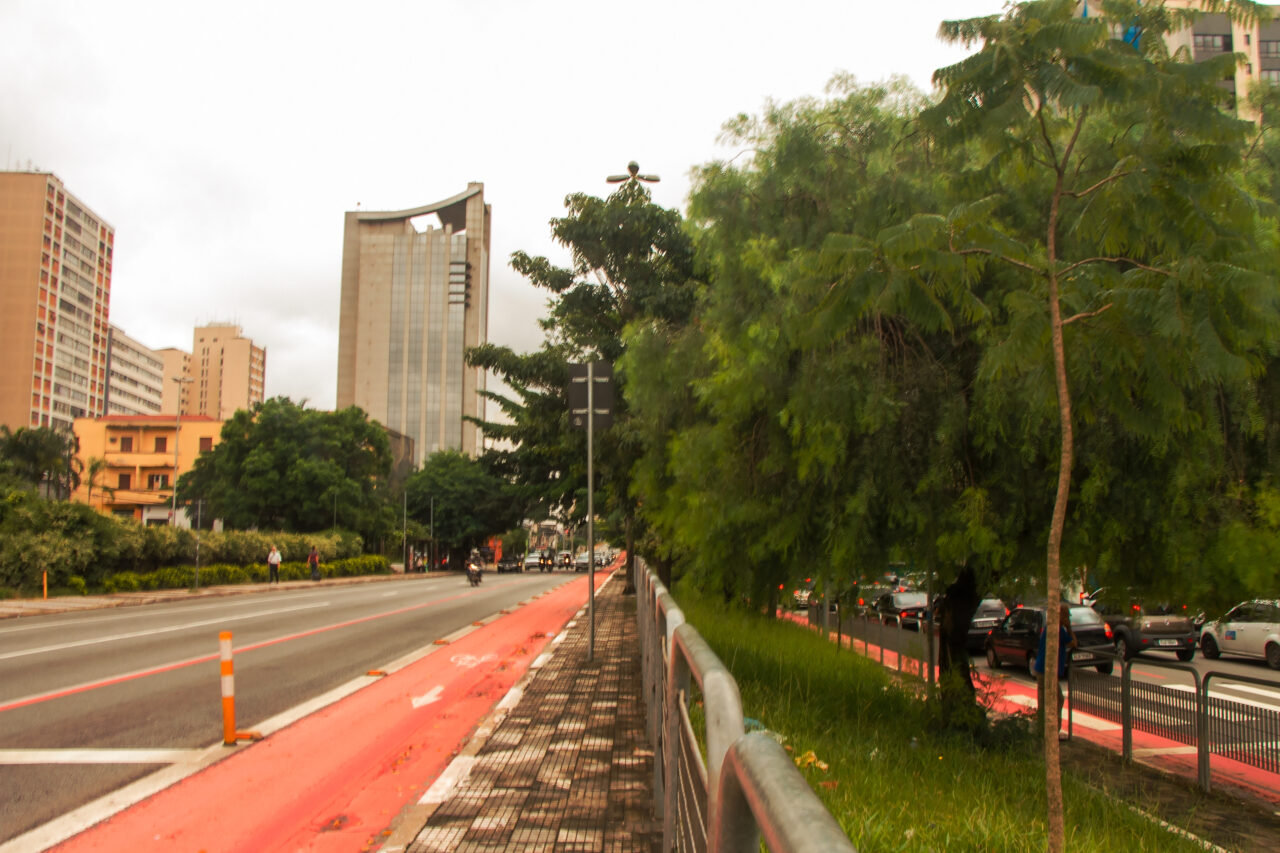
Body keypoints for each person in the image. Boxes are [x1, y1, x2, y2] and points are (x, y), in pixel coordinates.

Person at [1033, 602, 1078, 739]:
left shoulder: (1050, 628)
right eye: (1066, 616)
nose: (1068, 619)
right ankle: (1052, 732)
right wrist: (1069, 628)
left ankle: (1043, 730)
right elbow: (1074, 642)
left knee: (1046, 700)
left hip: (1042, 669)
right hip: (1047, 671)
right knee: (1056, 699)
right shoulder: (1058, 630)